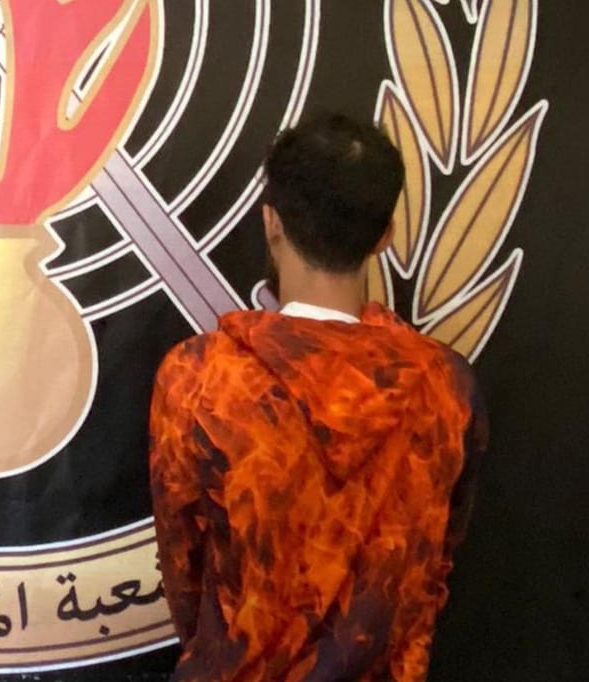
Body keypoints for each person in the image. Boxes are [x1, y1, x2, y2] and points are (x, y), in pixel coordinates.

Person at [148, 114, 487, 681]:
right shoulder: (448, 388)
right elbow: (435, 564)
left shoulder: (198, 378)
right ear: (384, 235)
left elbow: (183, 566)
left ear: (271, 223)